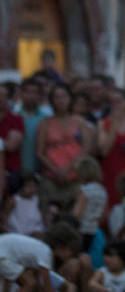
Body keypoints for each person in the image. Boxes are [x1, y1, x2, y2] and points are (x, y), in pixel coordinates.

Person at [35, 83, 92, 212]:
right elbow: (39, 152)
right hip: (51, 177)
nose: (60, 100)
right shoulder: (44, 123)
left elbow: (86, 148)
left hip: (75, 177)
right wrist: (56, 170)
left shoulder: (79, 122)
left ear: (70, 99)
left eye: (64, 96)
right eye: (56, 97)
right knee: (49, 214)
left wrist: (68, 168)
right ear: (51, 100)